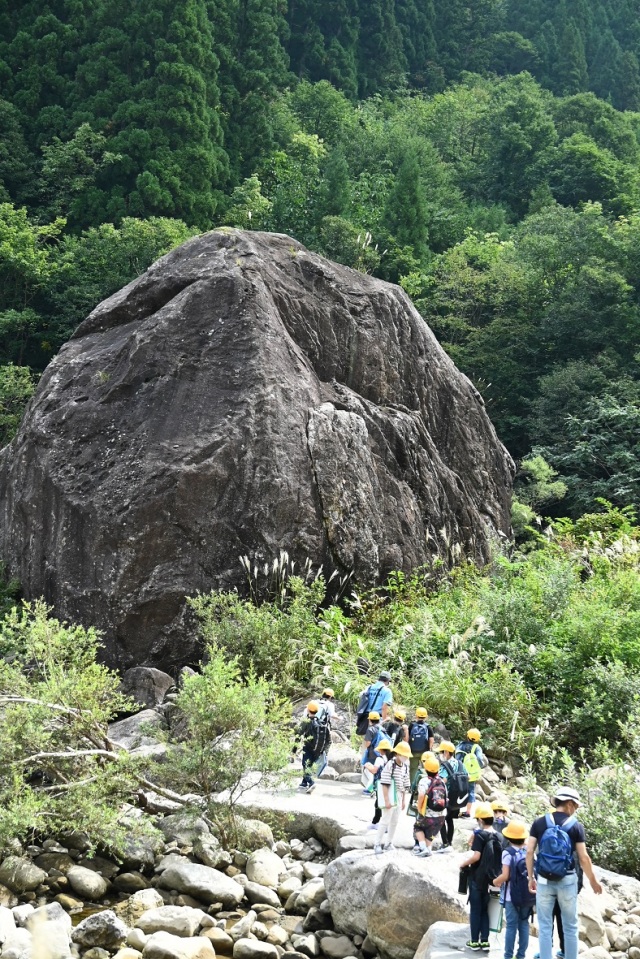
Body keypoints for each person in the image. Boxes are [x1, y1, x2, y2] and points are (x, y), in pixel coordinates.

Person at [526, 787, 602, 959]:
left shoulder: (539, 823)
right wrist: (593, 881)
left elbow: (529, 852)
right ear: (569, 804)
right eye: (575, 806)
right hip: (567, 881)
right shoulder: (576, 826)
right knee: (570, 926)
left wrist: (530, 877)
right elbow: (583, 858)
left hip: (544, 880)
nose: (575, 809)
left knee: (545, 926)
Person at [459, 802, 503, 952]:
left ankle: (474, 941)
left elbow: (476, 856)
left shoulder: (480, 835)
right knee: (484, 909)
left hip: (477, 877)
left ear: (480, 820)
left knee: (476, 910)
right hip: (491, 879)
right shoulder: (499, 836)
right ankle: (485, 941)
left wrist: (464, 864)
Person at [493, 821, 535, 959]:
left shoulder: (507, 852)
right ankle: (521, 955)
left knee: (511, 926)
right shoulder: (529, 852)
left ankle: (508, 956)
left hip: (511, 897)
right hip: (528, 896)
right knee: (524, 924)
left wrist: (495, 881)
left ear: (509, 837)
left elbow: (506, 875)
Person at [374, 740, 411, 854]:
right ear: (397, 754)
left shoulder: (405, 766)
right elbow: (384, 783)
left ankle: (389, 843)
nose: (405, 757)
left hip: (399, 796)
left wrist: (404, 800)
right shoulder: (391, 764)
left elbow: (405, 785)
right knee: (385, 820)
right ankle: (377, 844)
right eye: (404, 755)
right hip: (390, 795)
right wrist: (386, 800)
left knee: (394, 821)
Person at [412, 752, 448, 857]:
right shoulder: (442, 781)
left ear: (426, 768)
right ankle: (428, 850)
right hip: (441, 815)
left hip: (428, 813)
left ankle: (423, 848)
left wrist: (419, 808)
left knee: (417, 827)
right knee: (430, 833)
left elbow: (421, 796)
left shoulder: (424, 781)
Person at [294, 701, 330, 793]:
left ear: (308, 710)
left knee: (306, 765)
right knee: (309, 766)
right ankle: (304, 783)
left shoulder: (306, 722)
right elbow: (329, 740)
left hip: (308, 748)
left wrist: (294, 749)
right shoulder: (322, 723)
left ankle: (311, 782)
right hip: (318, 750)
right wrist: (325, 752)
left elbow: (298, 735)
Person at [436, 740, 467, 848]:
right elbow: (467, 776)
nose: (441, 754)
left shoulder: (445, 765)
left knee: (441, 819)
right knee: (450, 820)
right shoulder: (460, 763)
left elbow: (442, 780)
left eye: (442, 752)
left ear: (447, 752)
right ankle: (450, 842)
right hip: (458, 796)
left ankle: (445, 844)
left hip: (447, 796)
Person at [362, 737, 393, 827]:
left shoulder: (379, 759)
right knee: (381, 802)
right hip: (387, 782)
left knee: (378, 803)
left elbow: (374, 771)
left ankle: (376, 822)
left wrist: (367, 766)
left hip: (380, 783)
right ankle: (378, 822)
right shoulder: (388, 758)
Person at [455, 728, 485, 817]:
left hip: (461, 772)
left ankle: (456, 809)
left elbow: (457, 759)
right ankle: (468, 812)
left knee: (458, 790)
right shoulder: (477, 748)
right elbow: (480, 760)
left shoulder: (461, 745)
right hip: (471, 774)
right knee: (471, 791)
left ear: (467, 736)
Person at [408, 707, 434, 782]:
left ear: (416, 715)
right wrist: (429, 750)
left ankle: (412, 787)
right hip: (424, 752)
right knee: (426, 768)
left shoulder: (412, 725)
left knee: (413, 769)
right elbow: (431, 739)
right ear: (426, 716)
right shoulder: (428, 727)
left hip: (413, 751)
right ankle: (425, 784)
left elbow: (408, 737)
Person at [315, 688, 336, 778]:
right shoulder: (329, 704)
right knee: (328, 742)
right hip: (323, 728)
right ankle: (324, 758)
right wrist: (340, 718)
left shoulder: (315, 702)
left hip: (313, 726)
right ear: (330, 697)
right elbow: (332, 715)